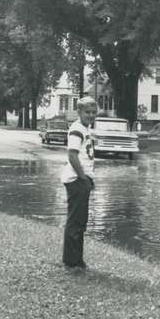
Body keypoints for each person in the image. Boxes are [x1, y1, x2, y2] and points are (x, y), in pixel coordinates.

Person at [61, 97, 97, 269]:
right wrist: (83, 177)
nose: (91, 115)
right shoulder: (76, 129)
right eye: (87, 112)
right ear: (79, 112)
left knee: (80, 222)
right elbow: (72, 155)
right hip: (76, 180)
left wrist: (89, 179)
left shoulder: (85, 128)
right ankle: (71, 261)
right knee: (75, 222)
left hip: (83, 180)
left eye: (93, 112)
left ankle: (77, 259)